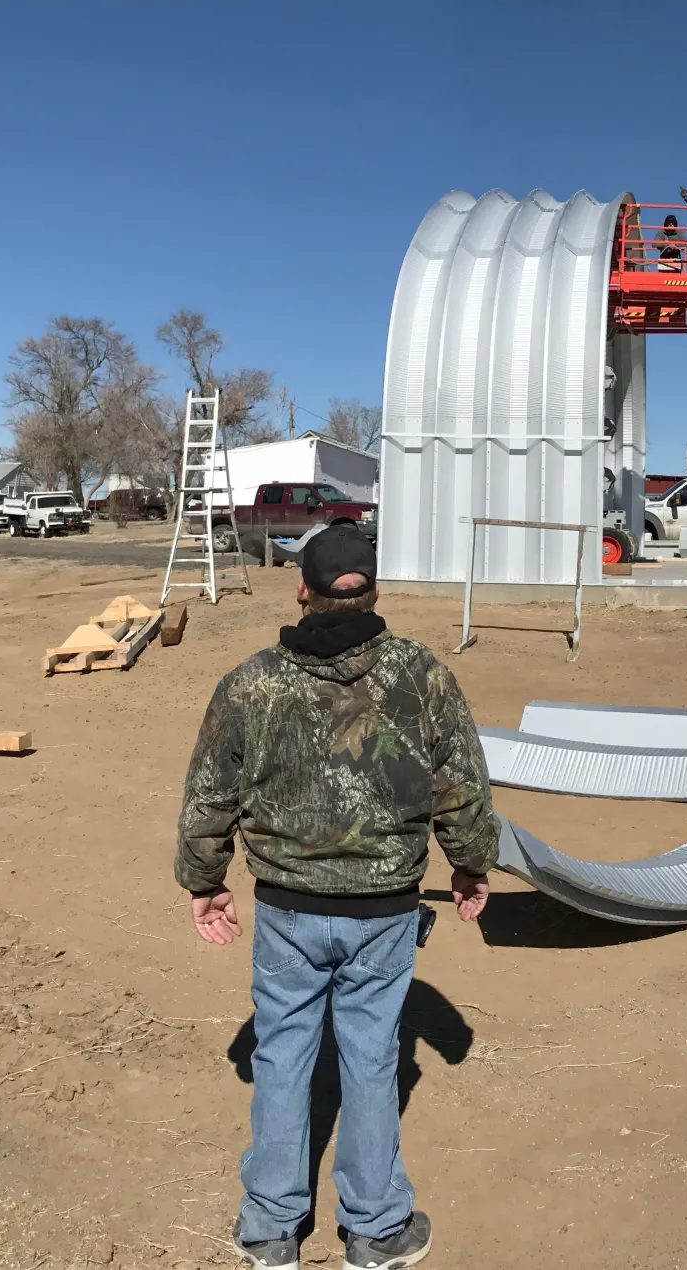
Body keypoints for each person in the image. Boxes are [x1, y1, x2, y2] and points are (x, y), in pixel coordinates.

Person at [175, 525, 499, 1270]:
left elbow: (209, 794)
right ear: (374, 592)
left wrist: (205, 880)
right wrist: (471, 864)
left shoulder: (251, 683)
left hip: (288, 909)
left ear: (303, 591)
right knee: (373, 1058)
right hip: (383, 911)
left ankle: (271, 1229)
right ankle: (376, 1229)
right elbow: (461, 784)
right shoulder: (421, 675)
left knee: (281, 1055)